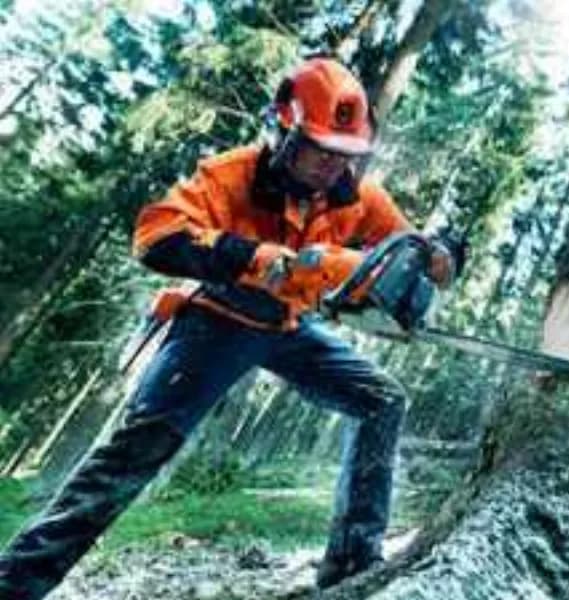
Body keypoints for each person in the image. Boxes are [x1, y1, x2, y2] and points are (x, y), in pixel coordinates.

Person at [0, 57, 453, 599]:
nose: (335, 166)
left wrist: (438, 255)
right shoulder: (230, 174)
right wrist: (262, 259)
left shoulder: (358, 196)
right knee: (136, 450)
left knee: (381, 399)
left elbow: (404, 247)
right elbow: (156, 236)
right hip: (214, 322)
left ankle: (352, 566)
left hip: (288, 326)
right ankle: (16, 583)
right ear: (286, 132)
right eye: (322, 151)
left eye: (346, 155)